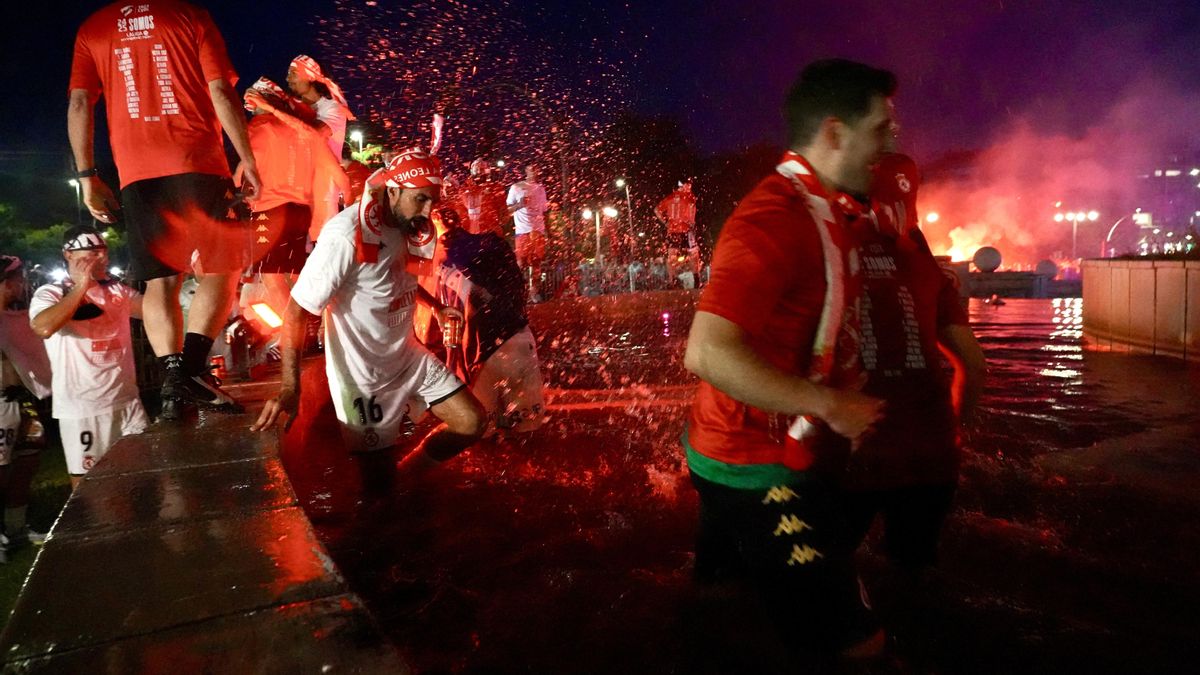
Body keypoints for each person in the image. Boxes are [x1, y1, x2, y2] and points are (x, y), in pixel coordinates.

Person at [682, 59, 897, 664]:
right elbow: (705, 350)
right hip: (757, 468)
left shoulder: (827, 208)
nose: (892, 145)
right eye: (881, 130)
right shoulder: (774, 218)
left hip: (729, 446)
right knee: (859, 648)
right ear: (833, 133)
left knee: (723, 598)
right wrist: (831, 405)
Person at [68, 0, 261, 421]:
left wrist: (87, 177)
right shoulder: (189, 15)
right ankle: (189, 371)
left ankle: (174, 386)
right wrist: (245, 156)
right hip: (197, 161)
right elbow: (221, 90)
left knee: (160, 282)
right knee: (220, 269)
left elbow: (80, 104)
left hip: (135, 172)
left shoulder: (94, 27)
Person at [252, 149, 486, 477]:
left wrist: (436, 307)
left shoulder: (410, 223)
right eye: (420, 199)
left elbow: (393, 278)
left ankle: (413, 477)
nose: (429, 210)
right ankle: (393, 496)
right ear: (393, 191)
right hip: (362, 376)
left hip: (408, 357)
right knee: (379, 487)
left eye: (432, 200)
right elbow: (296, 310)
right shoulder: (345, 236)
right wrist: (291, 388)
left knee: (472, 422)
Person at [29, 228, 150, 489]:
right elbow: (43, 327)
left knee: (141, 479)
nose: (101, 259)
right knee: (91, 490)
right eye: (93, 253)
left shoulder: (116, 291)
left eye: (104, 252)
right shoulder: (51, 292)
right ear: (68, 254)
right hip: (84, 408)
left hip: (128, 401)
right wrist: (81, 285)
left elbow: (155, 311)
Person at [240, 77, 350, 316]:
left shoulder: (258, 127)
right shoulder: (300, 130)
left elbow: (242, 170)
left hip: (268, 210)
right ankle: (318, 321)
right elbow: (338, 173)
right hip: (299, 211)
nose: (253, 110)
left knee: (273, 279)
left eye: (254, 104)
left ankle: (292, 334)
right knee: (300, 273)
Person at [431, 207, 544, 435]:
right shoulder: (494, 243)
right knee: (529, 436)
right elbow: (515, 289)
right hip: (522, 343)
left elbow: (453, 328)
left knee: (482, 440)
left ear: (435, 223)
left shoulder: (442, 261)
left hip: (484, 357)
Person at [0, 256, 53, 559]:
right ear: (7, 282)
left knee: (25, 465)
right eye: (18, 279)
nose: (23, 284)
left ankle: (16, 528)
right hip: (0, 406)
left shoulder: (15, 318)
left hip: (22, 402)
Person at [507, 164, 549, 301]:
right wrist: (519, 204)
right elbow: (506, 210)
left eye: (537, 169)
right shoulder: (516, 187)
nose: (535, 172)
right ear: (526, 171)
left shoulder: (541, 189)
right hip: (522, 231)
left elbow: (544, 211)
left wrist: (547, 231)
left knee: (536, 263)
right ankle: (518, 291)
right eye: (532, 169)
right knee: (520, 263)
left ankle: (534, 293)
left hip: (538, 230)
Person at [655, 181, 699, 287]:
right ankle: (696, 279)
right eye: (688, 185)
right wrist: (691, 223)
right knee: (693, 254)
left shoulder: (670, 197)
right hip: (686, 230)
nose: (690, 187)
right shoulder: (689, 196)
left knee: (672, 256)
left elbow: (656, 210)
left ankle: (672, 281)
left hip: (673, 230)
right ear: (682, 185)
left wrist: (666, 222)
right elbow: (692, 210)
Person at [459, 159, 508, 236]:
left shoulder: (463, 190)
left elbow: (504, 215)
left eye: (481, 170)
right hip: (488, 234)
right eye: (479, 170)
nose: (480, 173)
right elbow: (504, 216)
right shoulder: (495, 188)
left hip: (474, 235)